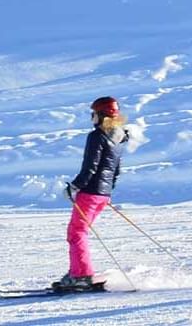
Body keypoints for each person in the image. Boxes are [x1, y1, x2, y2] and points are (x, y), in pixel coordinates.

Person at [53, 96, 129, 292]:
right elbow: (116, 170)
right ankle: (77, 272)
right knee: (80, 231)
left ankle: (81, 276)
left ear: (101, 114)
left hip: (90, 193)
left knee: (76, 232)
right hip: (102, 195)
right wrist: (106, 192)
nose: (92, 117)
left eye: (93, 114)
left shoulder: (97, 136)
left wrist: (75, 187)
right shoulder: (118, 136)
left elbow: (90, 167)